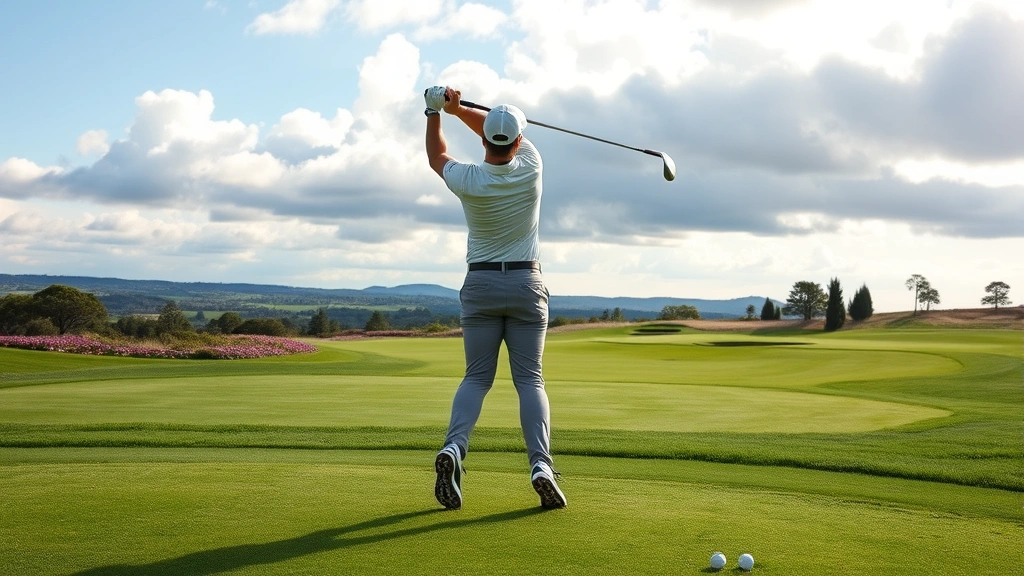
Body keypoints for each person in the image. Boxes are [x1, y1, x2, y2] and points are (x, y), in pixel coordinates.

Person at [423, 86, 566, 510]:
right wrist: (459, 109)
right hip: (526, 284)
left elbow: (436, 157)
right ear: (518, 140)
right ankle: (541, 466)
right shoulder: (531, 165)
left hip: (481, 286)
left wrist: (436, 111)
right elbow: (497, 132)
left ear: (484, 142)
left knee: (477, 378)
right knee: (530, 381)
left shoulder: (469, 179)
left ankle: (454, 449)